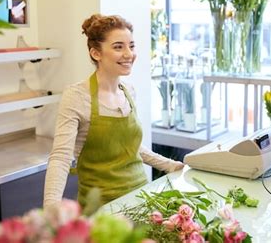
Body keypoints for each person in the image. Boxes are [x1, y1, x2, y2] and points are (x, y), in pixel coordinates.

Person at [44, 14, 184, 208]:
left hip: (142, 200)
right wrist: (51, 210)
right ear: (96, 53)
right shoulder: (77, 96)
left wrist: (171, 165)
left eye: (131, 46)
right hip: (101, 209)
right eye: (119, 47)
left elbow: (130, 148)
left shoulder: (128, 92)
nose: (129, 54)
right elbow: (60, 158)